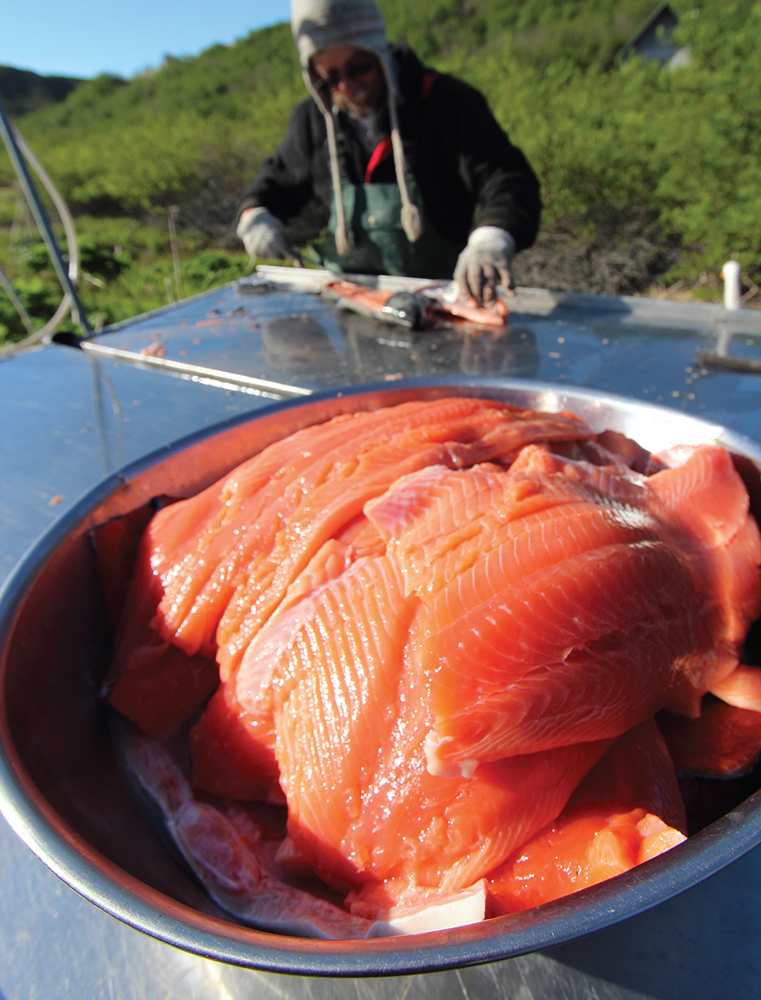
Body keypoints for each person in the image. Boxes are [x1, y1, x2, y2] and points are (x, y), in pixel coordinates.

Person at [236, 0, 541, 305]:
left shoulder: (448, 102)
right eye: (330, 78)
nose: (348, 86)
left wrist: (492, 236)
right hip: (353, 306)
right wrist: (256, 215)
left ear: (378, 50)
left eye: (359, 68)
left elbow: (509, 180)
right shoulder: (311, 121)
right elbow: (276, 182)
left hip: (444, 305)